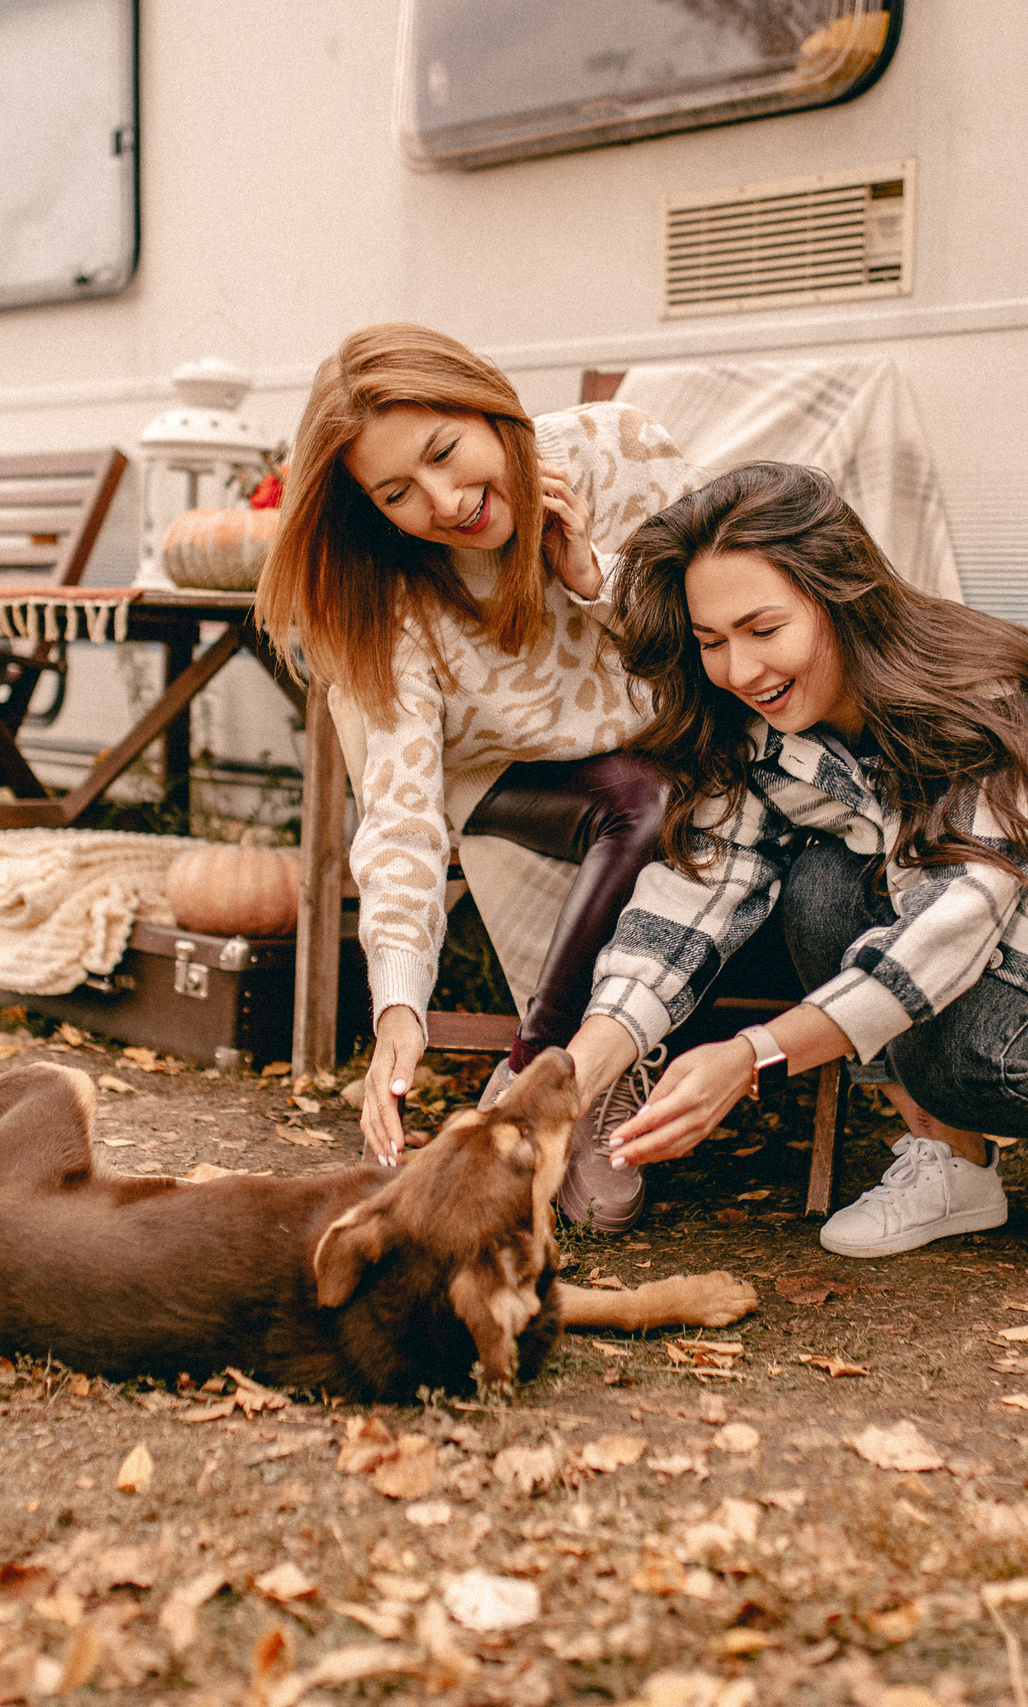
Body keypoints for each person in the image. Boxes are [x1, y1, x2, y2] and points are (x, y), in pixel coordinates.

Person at [558, 462, 1028, 1262]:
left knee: (969, 1058)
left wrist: (749, 1058)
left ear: (840, 597)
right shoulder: (763, 730)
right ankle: (952, 1160)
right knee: (818, 886)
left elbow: (954, 924)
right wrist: (575, 1074)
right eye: (712, 642)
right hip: (995, 928)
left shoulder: (989, 699)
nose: (740, 671)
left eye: (763, 630)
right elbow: (695, 889)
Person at [256, 323, 705, 1231]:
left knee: (670, 787)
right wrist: (398, 1011)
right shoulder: (395, 595)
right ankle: (554, 1075)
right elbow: (401, 813)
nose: (445, 500)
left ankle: (544, 1081)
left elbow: (724, 633)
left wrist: (592, 577)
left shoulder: (618, 452)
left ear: (486, 404)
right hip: (498, 772)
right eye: (397, 493)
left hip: (657, 738)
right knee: (646, 802)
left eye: (444, 451)